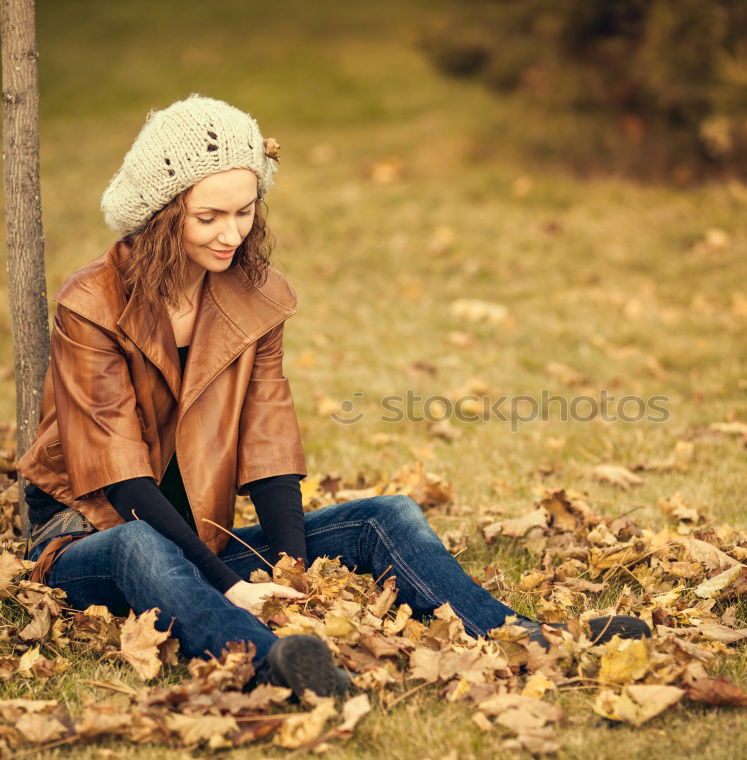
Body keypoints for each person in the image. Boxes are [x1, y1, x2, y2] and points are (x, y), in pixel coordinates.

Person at [15, 94, 649, 702]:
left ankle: (522, 636)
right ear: (160, 215)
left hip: (199, 536)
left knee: (388, 515)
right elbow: (120, 477)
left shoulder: (255, 295)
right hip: (90, 536)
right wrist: (231, 586)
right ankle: (273, 663)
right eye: (207, 217)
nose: (231, 234)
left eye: (244, 212)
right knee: (141, 547)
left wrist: (291, 567)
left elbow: (268, 434)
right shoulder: (91, 304)